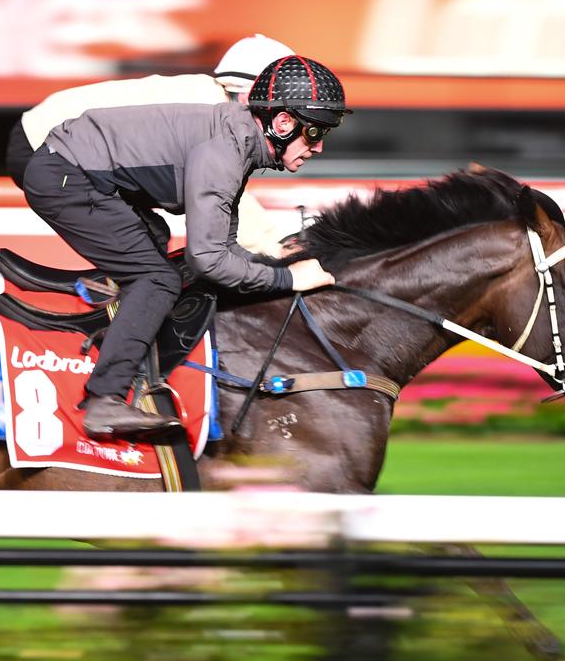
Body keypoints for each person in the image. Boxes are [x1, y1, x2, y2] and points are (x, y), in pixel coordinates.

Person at [22, 56, 349, 438]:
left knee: (158, 242)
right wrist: (286, 279)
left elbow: (224, 246)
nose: (319, 146)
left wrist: (278, 268)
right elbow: (209, 260)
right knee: (157, 279)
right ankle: (103, 400)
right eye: (314, 132)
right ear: (282, 123)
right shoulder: (225, 152)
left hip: (82, 169)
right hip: (65, 174)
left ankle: (122, 322)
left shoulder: (239, 142)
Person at [7, 34, 297, 257]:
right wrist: (276, 249)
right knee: (147, 260)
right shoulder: (211, 111)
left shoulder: (209, 96)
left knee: (153, 238)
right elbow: (225, 194)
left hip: (47, 137)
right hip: (43, 145)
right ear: (248, 95)